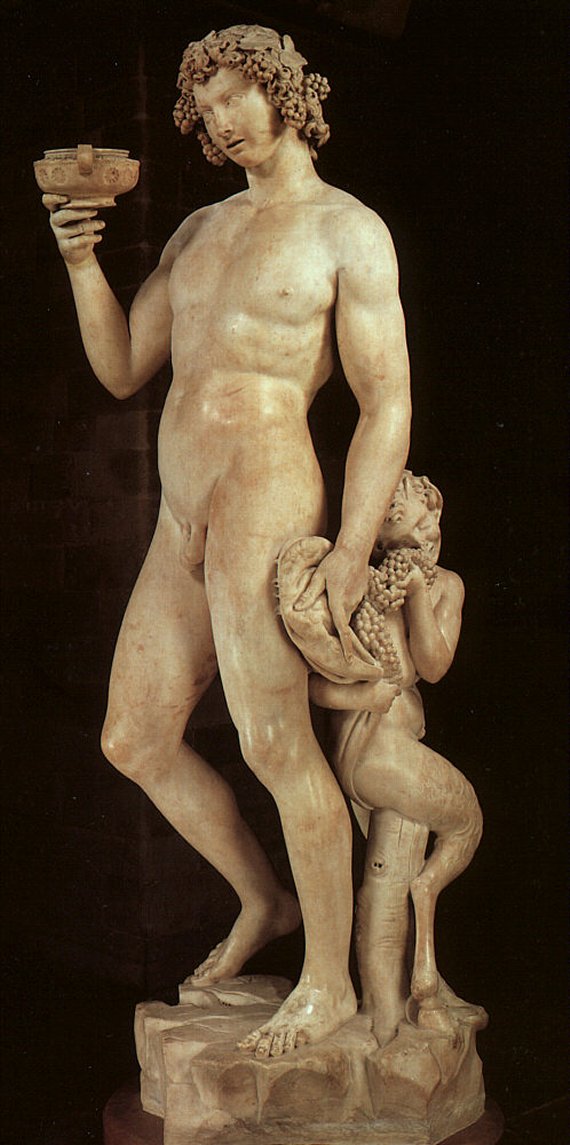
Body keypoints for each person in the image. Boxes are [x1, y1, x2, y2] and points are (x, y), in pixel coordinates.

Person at [42, 24, 411, 1058]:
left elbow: (386, 402)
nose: (222, 120)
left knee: (273, 741)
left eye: (238, 95)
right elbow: (124, 366)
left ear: (285, 92)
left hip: (267, 490)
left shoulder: (348, 230)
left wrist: (352, 546)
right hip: (182, 509)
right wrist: (80, 262)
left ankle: (329, 981)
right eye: (205, 109)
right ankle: (267, 899)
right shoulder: (198, 232)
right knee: (134, 736)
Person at [309, 472, 483, 1045]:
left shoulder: (445, 586)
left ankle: (395, 1007)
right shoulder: (358, 582)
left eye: (426, 519)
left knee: (388, 873)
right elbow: (314, 684)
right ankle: (426, 912)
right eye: (400, 524)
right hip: (373, 749)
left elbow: (433, 665)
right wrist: (363, 696)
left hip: (399, 749)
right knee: (467, 822)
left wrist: (417, 598)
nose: (423, 535)